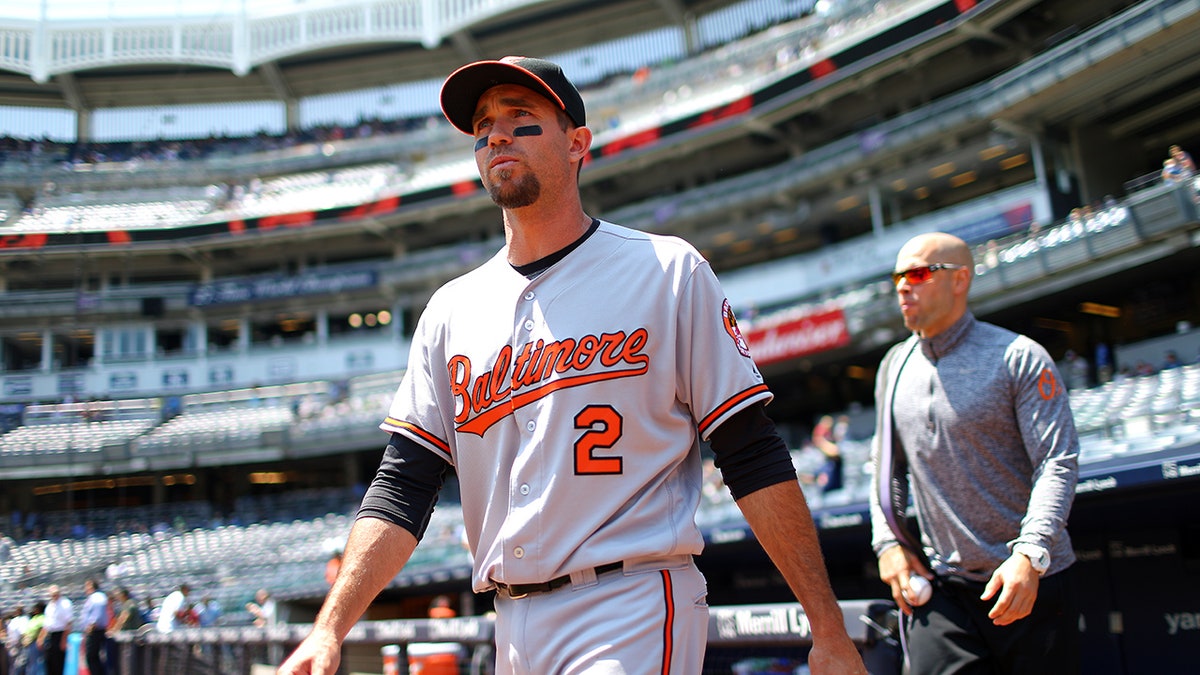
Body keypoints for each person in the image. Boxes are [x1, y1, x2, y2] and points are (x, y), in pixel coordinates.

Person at [279, 56, 867, 675]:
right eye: (482, 125)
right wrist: (329, 628)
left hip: (631, 601)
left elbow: (750, 451)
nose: (496, 135)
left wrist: (825, 626)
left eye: (521, 117)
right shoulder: (450, 311)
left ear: (577, 144)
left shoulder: (665, 271)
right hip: (510, 621)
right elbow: (402, 486)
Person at [869, 232, 1081, 674]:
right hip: (942, 587)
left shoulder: (1020, 357)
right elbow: (887, 468)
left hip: (1030, 580)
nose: (903, 286)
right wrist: (888, 543)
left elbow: (1056, 461)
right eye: (897, 277)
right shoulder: (893, 364)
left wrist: (1031, 554)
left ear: (960, 279)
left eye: (919, 273)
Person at [38, 585, 71, 675]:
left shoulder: (65, 604)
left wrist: (64, 640)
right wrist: (41, 638)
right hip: (50, 636)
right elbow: (46, 624)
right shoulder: (50, 606)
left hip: (59, 635)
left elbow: (68, 623)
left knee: (58, 664)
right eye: (52, 594)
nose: (54, 596)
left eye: (56, 593)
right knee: (49, 663)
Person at [80, 579, 109, 675]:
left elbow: (97, 614)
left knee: (92, 657)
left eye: (87, 586)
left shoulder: (97, 597)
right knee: (92, 657)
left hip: (95, 631)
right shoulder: (94, 597)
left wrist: (91, 626)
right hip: (93, 630)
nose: (86, 588)